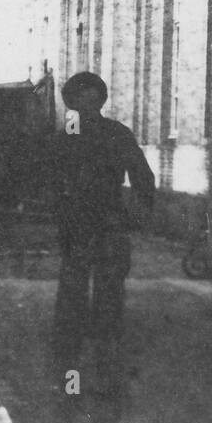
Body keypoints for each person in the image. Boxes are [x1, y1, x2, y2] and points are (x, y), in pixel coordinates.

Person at [49, 71, 156, 400]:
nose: (85, 104)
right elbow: (144, 180)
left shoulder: (79, 134)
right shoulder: (108, 133)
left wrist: (134, 214)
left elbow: (143, 178)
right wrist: (134, 216)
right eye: (81, 98)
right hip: (96, 224)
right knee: (88, 292)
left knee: (89, 291)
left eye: (89, 97)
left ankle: (81, 365)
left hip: (97, 223)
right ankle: (90, 364)